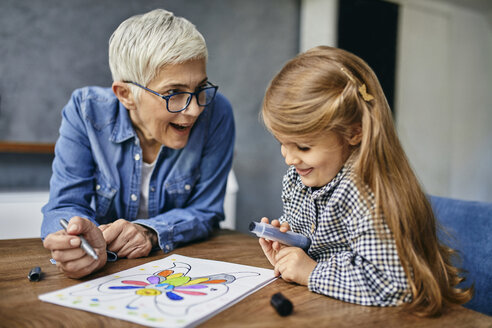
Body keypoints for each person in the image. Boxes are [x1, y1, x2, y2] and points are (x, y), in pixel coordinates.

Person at [258, 46, 471, 316]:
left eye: (303, 147)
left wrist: (311, 271)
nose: (289, 158)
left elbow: (393, 285)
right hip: (334, 308)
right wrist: (288, 246)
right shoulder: (299, 179)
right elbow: (318, 247)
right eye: (282, 143)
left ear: (353, 133)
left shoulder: (363, 193)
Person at [41, 9, 235, 279]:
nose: (194, 110)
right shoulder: (85, 112)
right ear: (125, 95)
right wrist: (72, 239)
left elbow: (206, 210)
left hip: (176, 272)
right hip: (108, 276)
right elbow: (64, 206)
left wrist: (150, 231)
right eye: (174, 93)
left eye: (200, 88)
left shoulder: (217, 112)